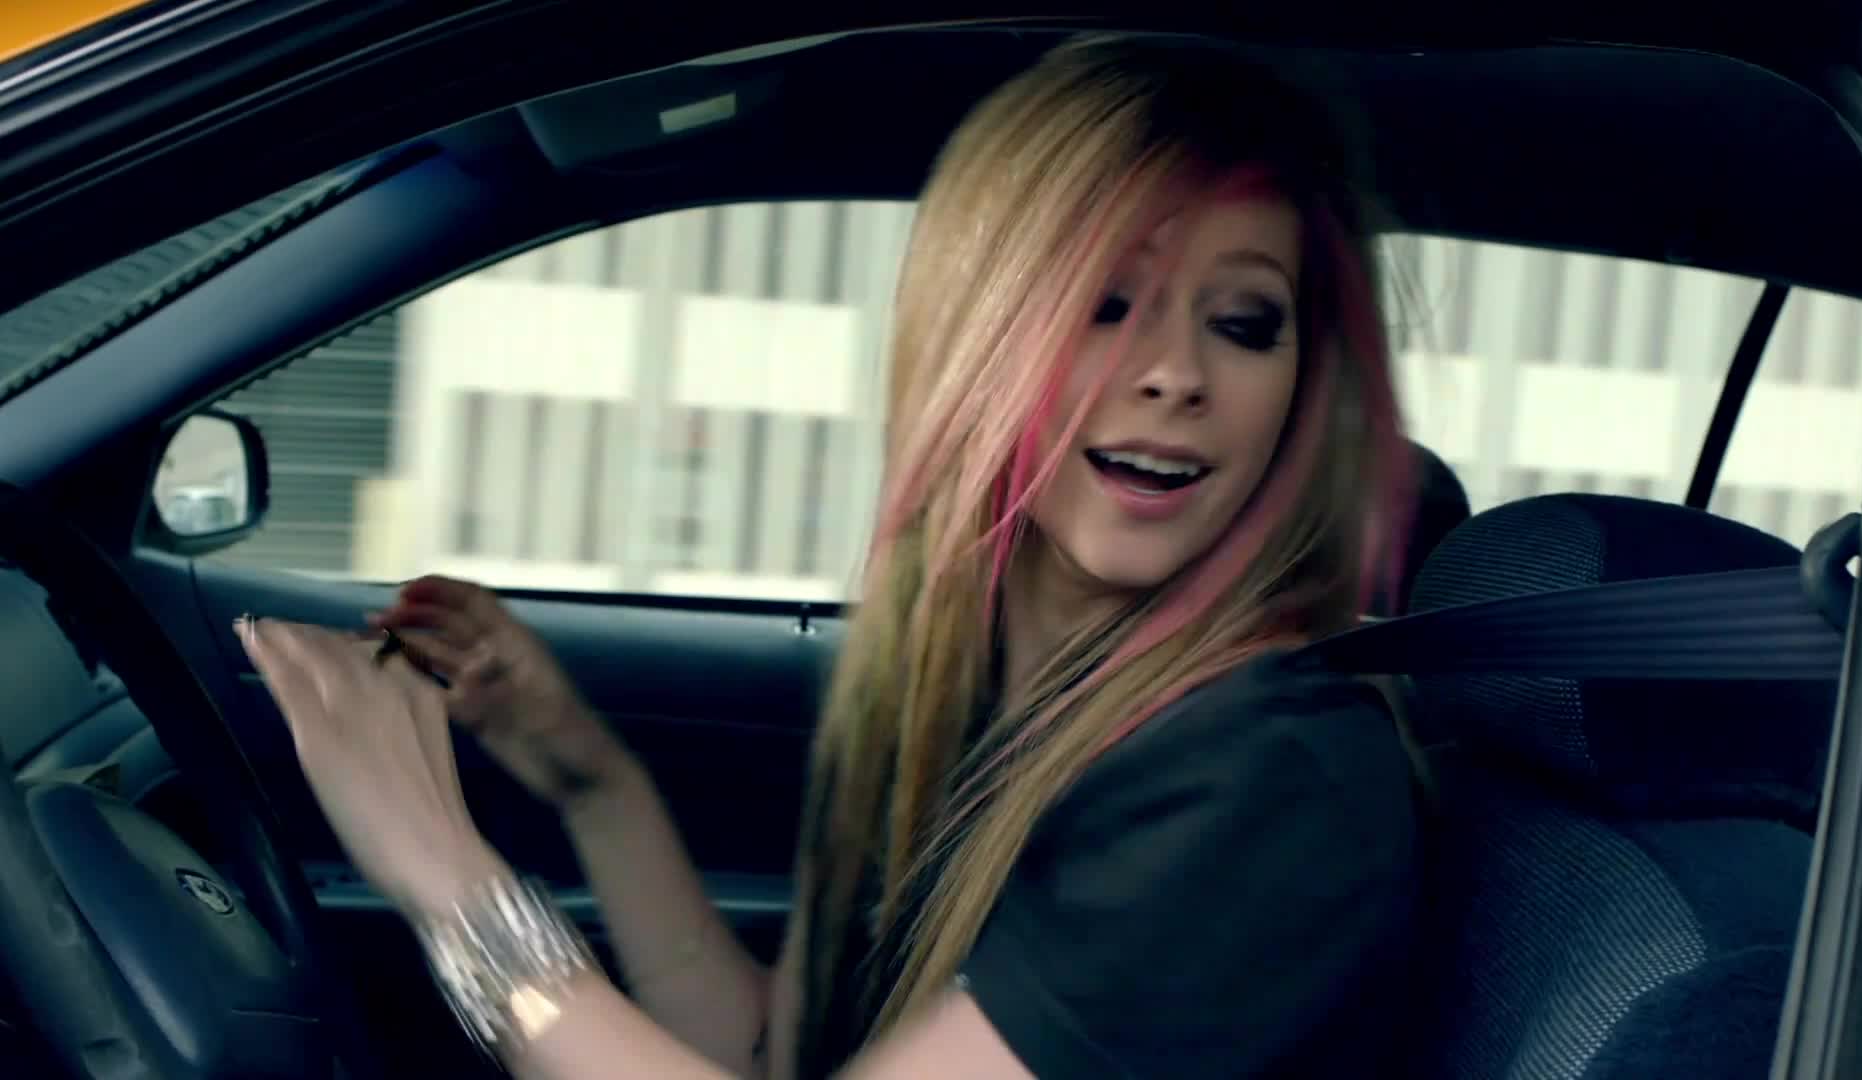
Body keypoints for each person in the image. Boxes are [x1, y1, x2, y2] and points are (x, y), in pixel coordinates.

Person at [238, 31, 1422, 1080]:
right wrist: (588, 777)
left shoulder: (1270, 783)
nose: (1175, 374)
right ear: (978, 329)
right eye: (1108, 303)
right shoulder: (971, 690)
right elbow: (774, 1055)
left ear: (1304, 383)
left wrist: (441, 870)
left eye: (1245, 323)